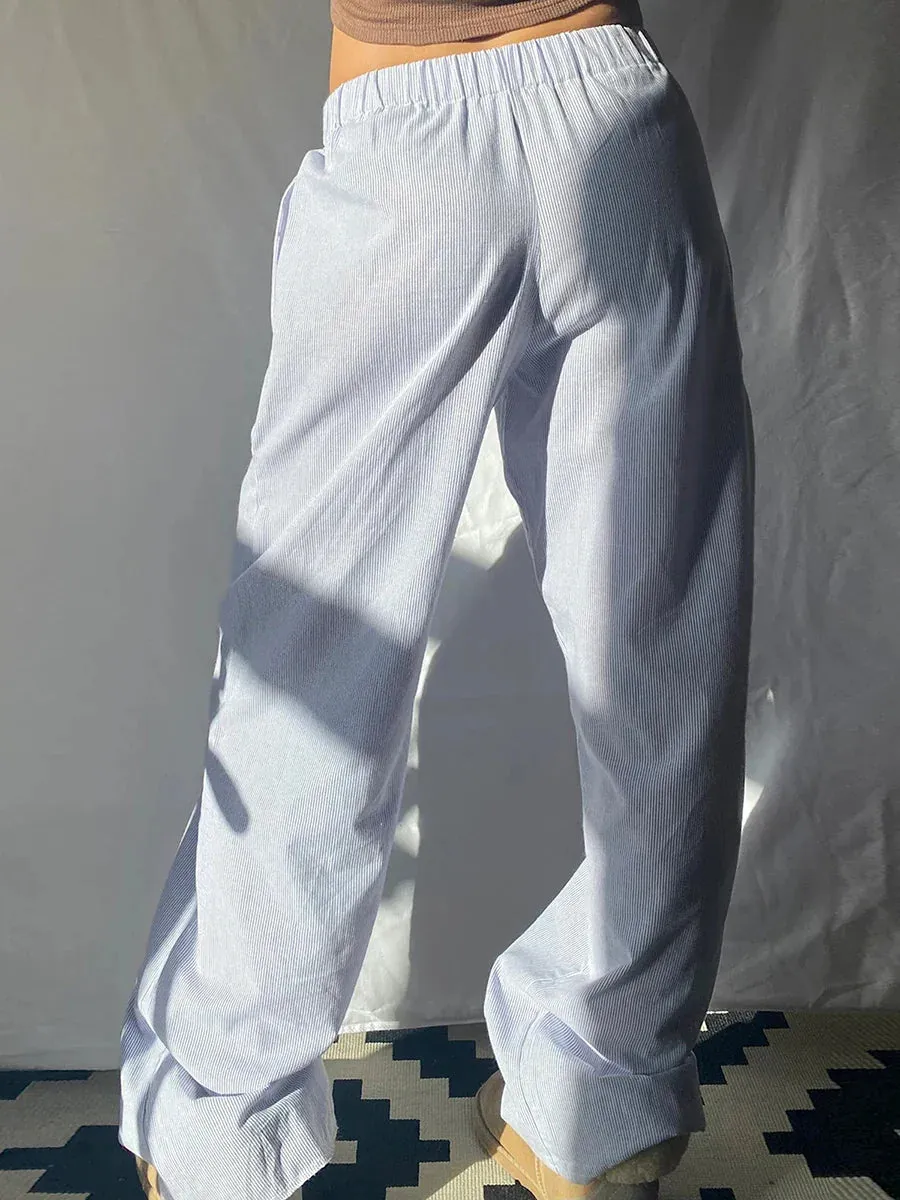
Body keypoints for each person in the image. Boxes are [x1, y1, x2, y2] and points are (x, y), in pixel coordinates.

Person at [119, 2, 755, 1198]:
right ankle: (606, 1100)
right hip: (616, 117)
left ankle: (222, 1138)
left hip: (404, 127)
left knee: (309, 671)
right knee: (662, 655)